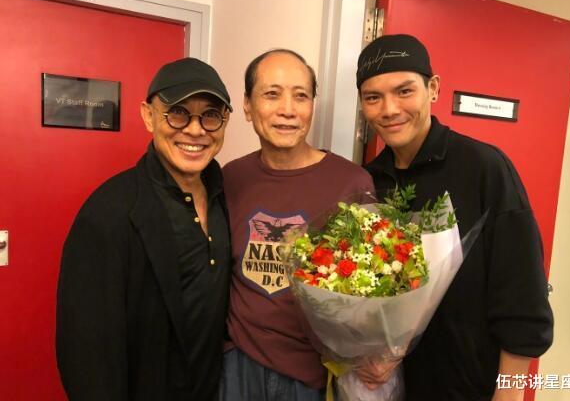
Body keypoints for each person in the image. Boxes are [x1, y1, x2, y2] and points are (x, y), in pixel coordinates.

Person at [356, 34, 553, 400]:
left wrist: (508, 396)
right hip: (387, 389)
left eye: (404, 91)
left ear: (432, 88)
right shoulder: (369, 182)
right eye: (373, 97)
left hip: (470, 388)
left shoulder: (484, 168)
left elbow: (523, 298)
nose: (389, 109)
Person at [56, 57, 233, 400]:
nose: (196, 130)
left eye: (210, 115)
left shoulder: (224, 194)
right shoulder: (108, 213)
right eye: (178, 113)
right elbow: (85, 354)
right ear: (148, 116)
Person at [220, 49, 375, 400]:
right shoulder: (231, 177)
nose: (288, 109)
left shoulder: (351, 183)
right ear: (247, 105)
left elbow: (370, 290)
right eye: (272, 94)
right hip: (238, 365)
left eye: (301, 96)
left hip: (313, 375)